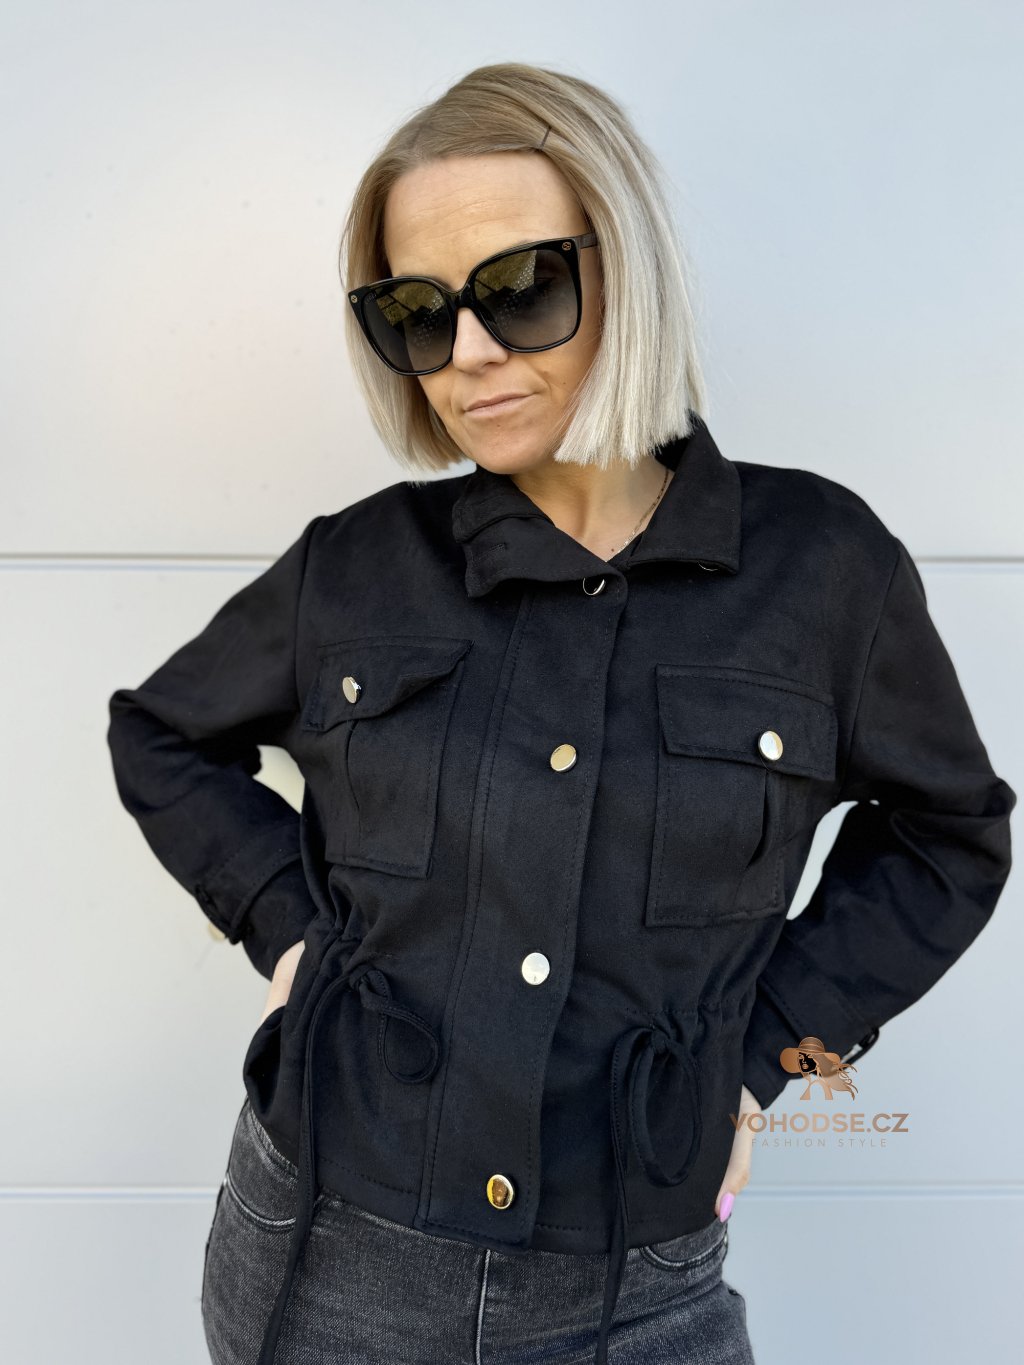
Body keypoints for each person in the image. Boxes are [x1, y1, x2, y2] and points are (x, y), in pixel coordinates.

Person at [105, 62, 1016, 1365]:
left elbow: (947, 835)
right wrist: (293, 935)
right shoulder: (355, 567)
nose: (471, 352)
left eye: (521, 287)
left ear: (625, 269)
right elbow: (160, 734)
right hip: (328, 1260)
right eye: (417, 313)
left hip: (642, 1288)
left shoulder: (822, 569)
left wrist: (769, 1049)